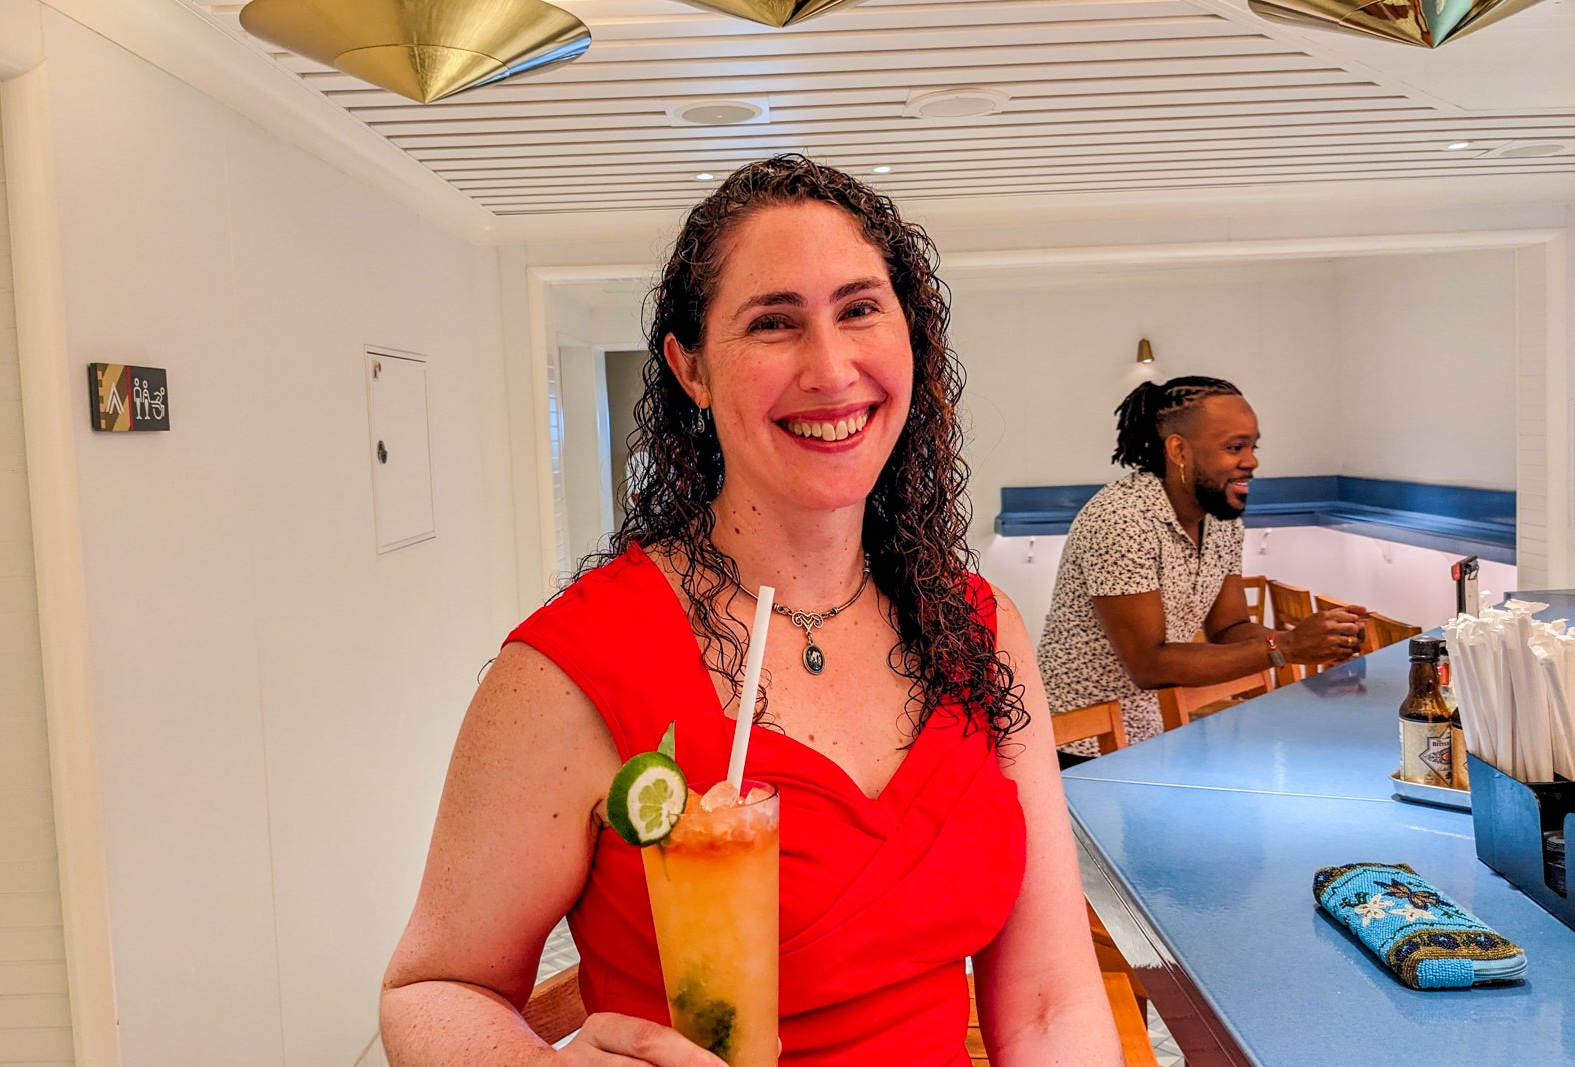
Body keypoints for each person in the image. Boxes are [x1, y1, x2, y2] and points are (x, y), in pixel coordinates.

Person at [379, 155, 1124, 1065]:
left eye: (859, 309)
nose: (830, 365)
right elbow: (431, 990)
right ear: (690, 369)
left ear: (911, 335)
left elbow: (1050, 1003)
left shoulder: (978, 627)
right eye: (773, 323)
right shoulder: (568, 670)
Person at [1037, 377, 1366, 761]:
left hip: (1151, 731)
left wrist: (1312, 646)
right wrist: (1287, 647)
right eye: (1234, 447)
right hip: (1075, 741)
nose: (1252, 460)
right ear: (1179, 450)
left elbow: (1230, 629)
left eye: (1253, 446)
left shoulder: (1222, 518)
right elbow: (1149, 664)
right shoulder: (1120, 519)